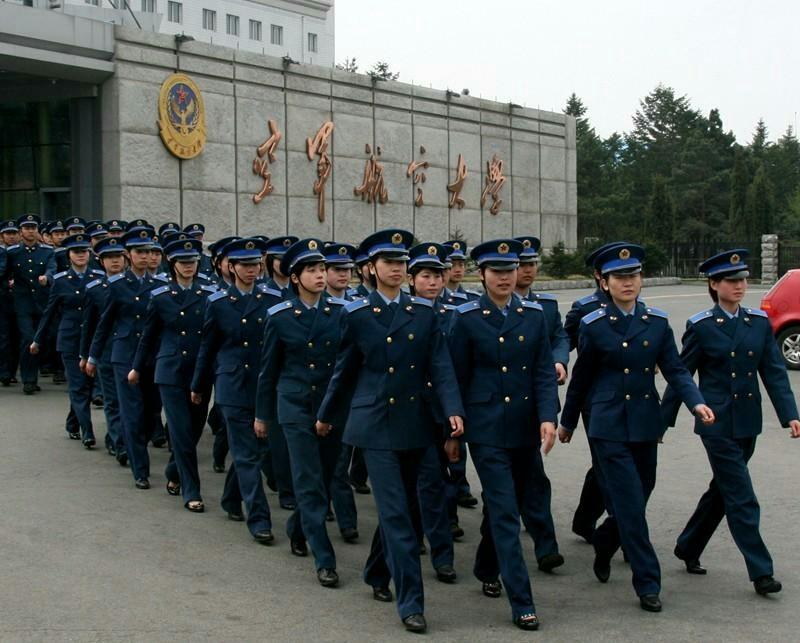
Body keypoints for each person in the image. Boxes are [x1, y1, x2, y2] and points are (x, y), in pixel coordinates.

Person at [315, 229, 464, 634]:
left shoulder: (424, 313)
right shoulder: (358, 314)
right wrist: (327, 415)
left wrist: (453, 410)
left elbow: (441, 366)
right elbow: (344, 372)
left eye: (401, 263)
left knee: (415, 510)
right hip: (375, 425)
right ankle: (411, 602)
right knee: (396, 514)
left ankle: (377, 572)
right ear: (371, 269)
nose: (397, 269)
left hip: (416, 423)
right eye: (389, 263)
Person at [558, 242, 715, 613]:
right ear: (605, 282)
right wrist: (567, 422)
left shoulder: (657, 323)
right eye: (619, 277)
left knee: (641, 493)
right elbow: (580, 380)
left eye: (633, 276)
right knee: (629, 502)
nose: (628, 283)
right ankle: (648, 582)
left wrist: (696, 402)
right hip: (607, 423)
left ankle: (603, 538)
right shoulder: (594, 325)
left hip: (646, 422)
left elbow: (675, 369)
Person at [661, 249, 800, 596]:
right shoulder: (702, 326)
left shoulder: (757, 323)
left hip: (748, 422)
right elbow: (682, 375)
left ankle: (688, 545)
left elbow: (774, 372)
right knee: (741, 496)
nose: (740, 286)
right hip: (716, 423)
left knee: (722, 491)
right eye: (731, 280)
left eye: (743, 279)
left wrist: (791, 414)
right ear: (714, 284)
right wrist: (662, 422)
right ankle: (761, 572)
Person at [447, 239, 558, 631]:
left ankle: (485, 565)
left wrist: (549, 416)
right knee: (507, 511)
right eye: (497, 272)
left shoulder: (533, 316)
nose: (506, 278)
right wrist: (453, 428)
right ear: (483, 275)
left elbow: (544, 371)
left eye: (511, 271)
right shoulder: (465, 318)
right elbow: (454, 377)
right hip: (487, 428)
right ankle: (522, 601)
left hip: (526, 427)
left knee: (505, 505)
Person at [255, 238, 348, 587]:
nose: (320, 275)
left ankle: (297, 528)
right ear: (295, 277)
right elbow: (268, 371)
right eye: (312, 270)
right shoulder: (279, 317)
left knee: (324, 478)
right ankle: (325, 559)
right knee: (308, 483)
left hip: (331, 406)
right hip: (293, 406)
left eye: (322, 269)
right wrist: (262, 415)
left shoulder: (340, 313)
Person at [191, 238, 282, 544]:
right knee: (245, 453)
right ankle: (259, 518)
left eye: (255, 264)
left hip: (262, 385)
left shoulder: (271, 298)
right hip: (231, 385)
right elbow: (207, 348)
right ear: (230, 267)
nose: (251, 270)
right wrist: (199, 386)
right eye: (244, 265)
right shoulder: (217, 303)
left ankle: (231, 498)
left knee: (254, 451)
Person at [130, 238, 216, 513]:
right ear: (173, 265)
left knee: (192, 430)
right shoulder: (161, 297)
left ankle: (173, 471)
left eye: (193, 262)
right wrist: (136, 367)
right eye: (183, 262)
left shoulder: (208, 295)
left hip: (200, 371)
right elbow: (148, 337)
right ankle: (192, 491)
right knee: (179, 431)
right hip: (170, 371)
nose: (189, 267)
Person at [86, 226, 167, 489]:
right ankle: (140, 469)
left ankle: (136, 448)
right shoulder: (118, 285)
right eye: (139, 252)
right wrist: (92, 357)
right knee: (131, 412)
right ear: (129, 255)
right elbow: (104, 324)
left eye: (149, 251)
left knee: (151, 411)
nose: (145, 256)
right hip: (124, 354)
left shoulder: (160, 285)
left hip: (152, 356)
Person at [562, 242, 628, 543]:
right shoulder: (584, 308)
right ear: (600, 276)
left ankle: (586, 519)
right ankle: (625, 531)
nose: (624, 280)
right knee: (609, 464)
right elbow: (564, 342)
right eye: (614, 273)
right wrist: (558, 362)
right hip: (595, 401)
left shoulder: (633, 304)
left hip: (631, 400)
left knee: (614, 465)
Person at [30, 234, 104, 446]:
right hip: (70, 338)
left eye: (84, 252)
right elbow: (49, 312)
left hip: (92, 339)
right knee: (78, 385)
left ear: (89, 254)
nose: (81, 256)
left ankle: (73, 422)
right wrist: (37, 340)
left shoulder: (98, 278)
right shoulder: (61, 281)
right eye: (76, 252)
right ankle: (87, 431)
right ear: (69, 255)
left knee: (89, 386)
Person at [80, 236, 127, 463]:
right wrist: (87, 355)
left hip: (131, 351)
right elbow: (89, 326)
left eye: (118, 256)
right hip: (107, 351)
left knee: (133, 401)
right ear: (100, 261)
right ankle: (120, 443)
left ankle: (118, 436)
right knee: (113, 399)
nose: (115, 261)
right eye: (109, 258)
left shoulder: (134, 286)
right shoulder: (95, 289)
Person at [2, 214, 56, 395]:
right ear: (21, 231)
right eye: (26, 228)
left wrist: (46, 278)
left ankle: (34, 373)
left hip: (42, 302)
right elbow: (4, 272)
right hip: (22, 303)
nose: (30, 231)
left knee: (42, 339)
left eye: (33, 228)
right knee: (28, 339)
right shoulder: (13, 252)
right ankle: (29, 380)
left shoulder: (48, 251)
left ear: (38, 230)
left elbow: (52, 268)